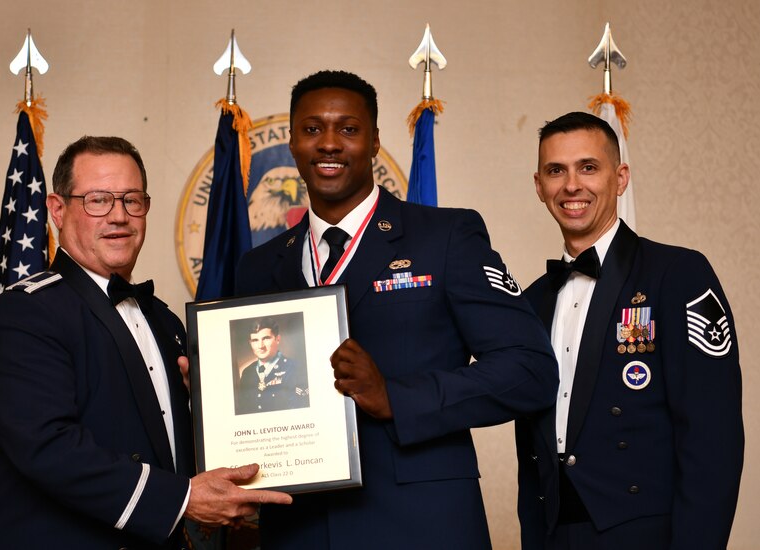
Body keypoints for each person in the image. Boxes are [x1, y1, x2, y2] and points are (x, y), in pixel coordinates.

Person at [235, 70, 559, 549]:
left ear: (374, 141)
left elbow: (530, 371)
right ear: (292, 142)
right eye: (311, 129)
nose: (328, 143)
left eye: (347, 128)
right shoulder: (258, 266)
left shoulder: (447, 237)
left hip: (421, 526)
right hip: (299, 530)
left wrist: (396, 398)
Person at [0, 136, 291, 549]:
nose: (119, 216)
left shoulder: (165, 321)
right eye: (98, 200)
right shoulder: (23, 314)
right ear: (56, 210)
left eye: (131, 200)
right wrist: (184, 499)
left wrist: (212, 413)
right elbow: (50, 449)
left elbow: (163, 448)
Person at [516, 112, 743, 549]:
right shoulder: (532, 300)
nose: (571, 186)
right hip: (551, 536)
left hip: (645, 535)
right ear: (539, 185)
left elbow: (713, 438)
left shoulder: (678, 275)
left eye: (588, 167)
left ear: (620, 178)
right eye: (555, 171)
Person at [236, 316, 309, 414]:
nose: (261, 346)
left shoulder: (296, 369)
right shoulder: (247, 373)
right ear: (250, 343)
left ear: (277, 339)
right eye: (255, 340)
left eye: (266, 338)